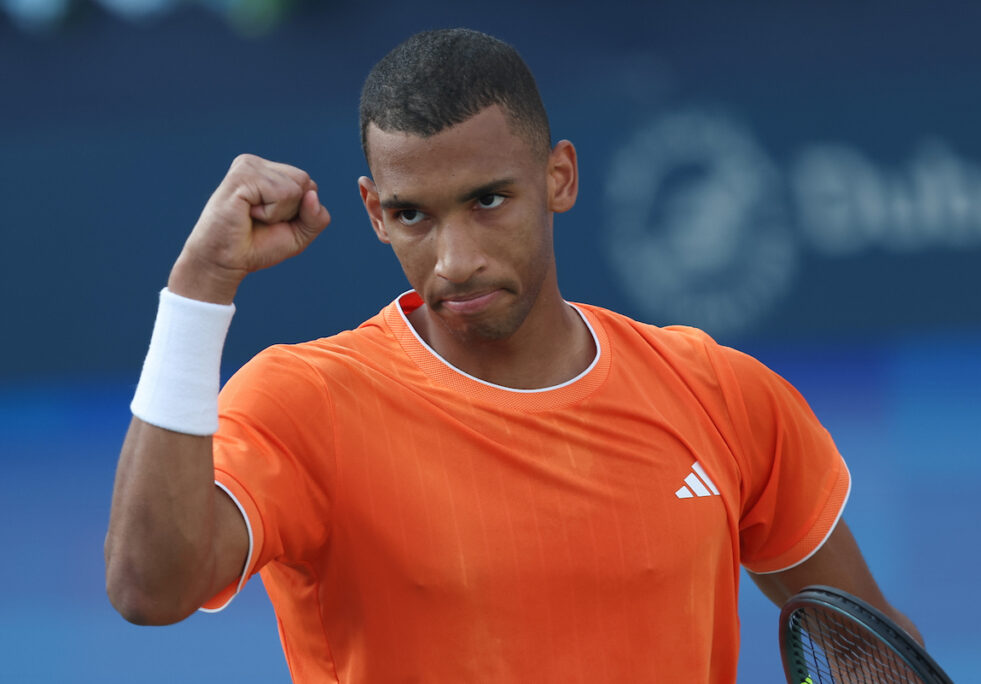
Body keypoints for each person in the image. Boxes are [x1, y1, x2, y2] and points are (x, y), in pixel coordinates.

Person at [105, 28, 920, 683]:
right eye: (413, 216)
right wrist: (199, 288)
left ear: (558, 177)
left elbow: (864, 648)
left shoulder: (720, 392)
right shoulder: (303, 402)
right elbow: (150, 588)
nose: (454, 258)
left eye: (487, 201)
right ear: (374, 213)